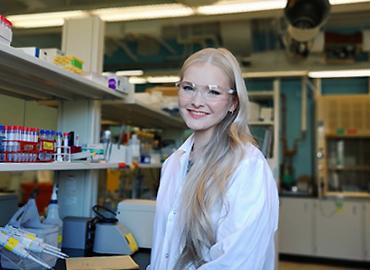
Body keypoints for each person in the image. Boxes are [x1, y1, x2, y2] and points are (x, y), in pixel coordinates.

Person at [149, 48, 279, 270]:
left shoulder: (248, 166)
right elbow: (164, 248)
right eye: (188, 88)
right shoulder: (173, 163)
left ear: (233, 103)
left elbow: (237, 263)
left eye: (213, 92)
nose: (197, 101)